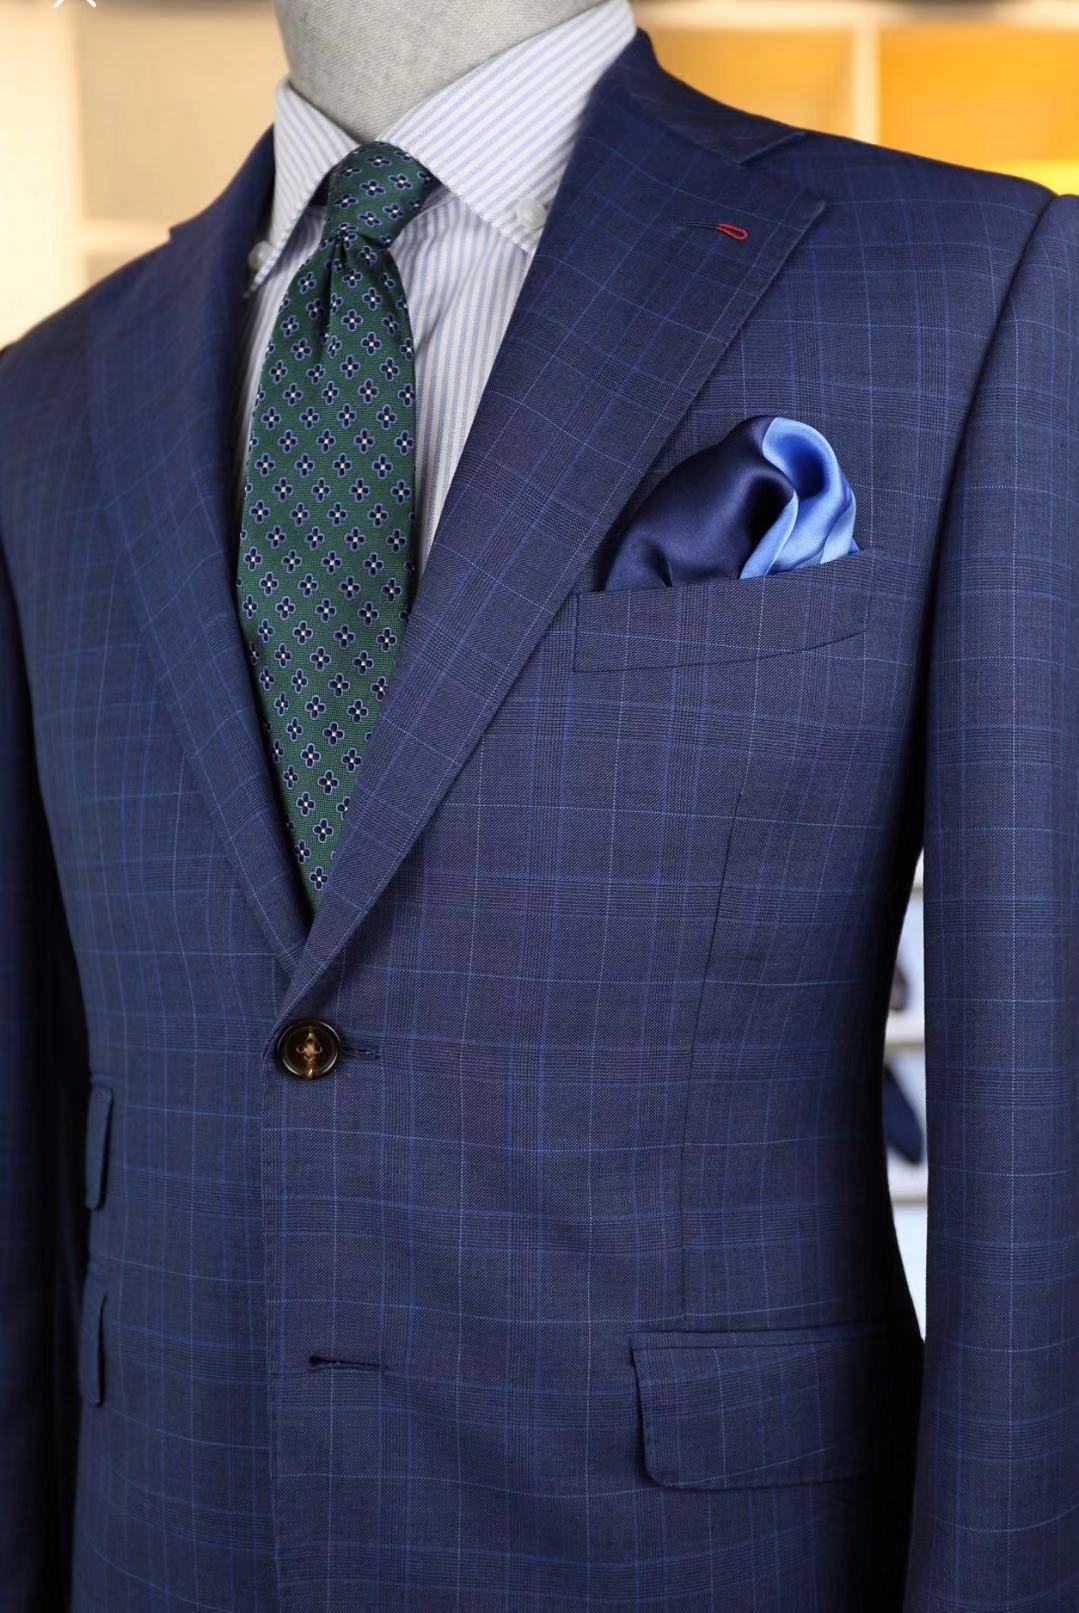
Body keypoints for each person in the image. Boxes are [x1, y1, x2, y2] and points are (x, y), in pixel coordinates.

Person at [0, 1, 1075, 1607]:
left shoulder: (963, 286)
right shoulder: (48, 404)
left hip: (691, 1549)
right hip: (169, 1532)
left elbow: (1044, 1109)